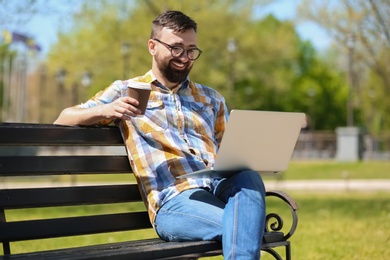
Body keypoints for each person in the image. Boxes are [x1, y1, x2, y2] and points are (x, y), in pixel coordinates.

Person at [54, 10, 266, 259]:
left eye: (191, 50)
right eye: (176, 48)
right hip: (174, 202)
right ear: (152, 46)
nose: (184, 57)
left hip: (219, 190)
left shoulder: (212, 98)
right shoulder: (126, 91)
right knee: (246, 228)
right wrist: (108, 109)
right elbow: (63, 118)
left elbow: (233, 156)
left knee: (248, 176)